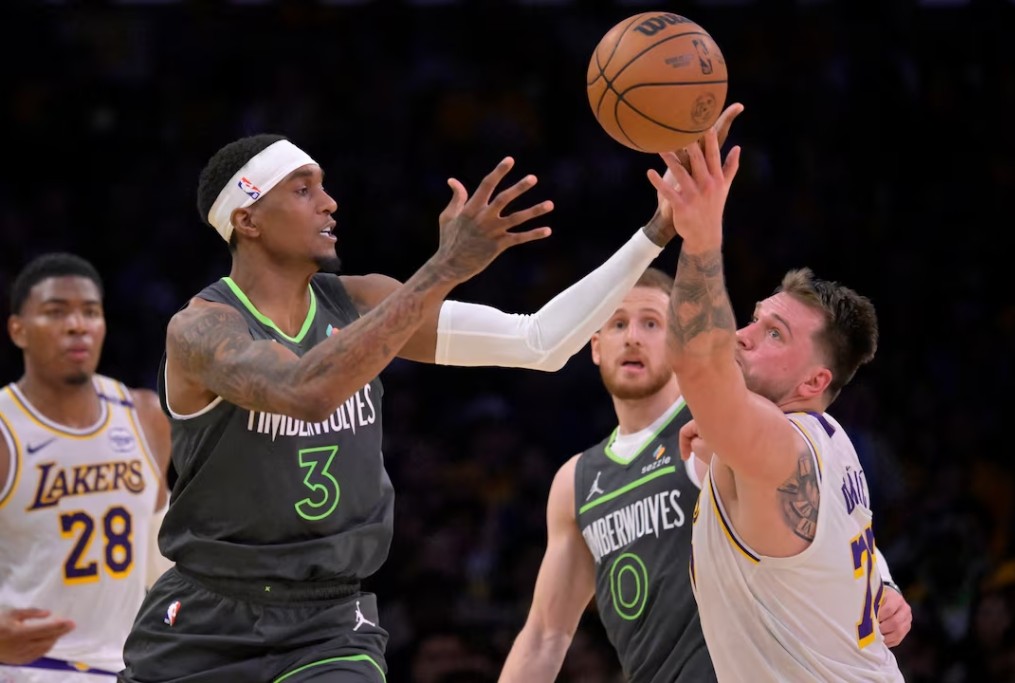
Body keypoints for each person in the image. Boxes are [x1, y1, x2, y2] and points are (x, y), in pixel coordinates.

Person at [117, 106, 739, 683]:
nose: (330, 202)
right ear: (247, 219)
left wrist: (657, 231)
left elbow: (540, 343)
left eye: (324, 184)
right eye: (303, 189)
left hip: (327, 624)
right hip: (204, 616)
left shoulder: (361, 301)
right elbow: (303, 390)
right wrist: (443, 268)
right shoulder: (201, 330)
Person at [498, 269, 911, 682]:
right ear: (595, 345)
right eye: (618, 323)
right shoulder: (578, 481)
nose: (633, 338)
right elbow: (545, 636)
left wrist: (883, 584)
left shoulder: (732, 420)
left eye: (652, 323)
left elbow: (821, 507)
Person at [649, 127, 907, 680]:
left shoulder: (783, 448)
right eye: (754, 319)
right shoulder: (830, 443)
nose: (742, 335)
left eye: (774, 335)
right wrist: (883, 584)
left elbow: (698, 365)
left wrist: (700, 236)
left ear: (814, 381)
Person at [0, 253, 172, 682]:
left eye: (90, 312)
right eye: (56, 312)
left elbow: (158, 562)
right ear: (17, 330)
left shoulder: (144, 415)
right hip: (31, 669)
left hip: (129, 667)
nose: (78, 325)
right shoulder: (5, 430)